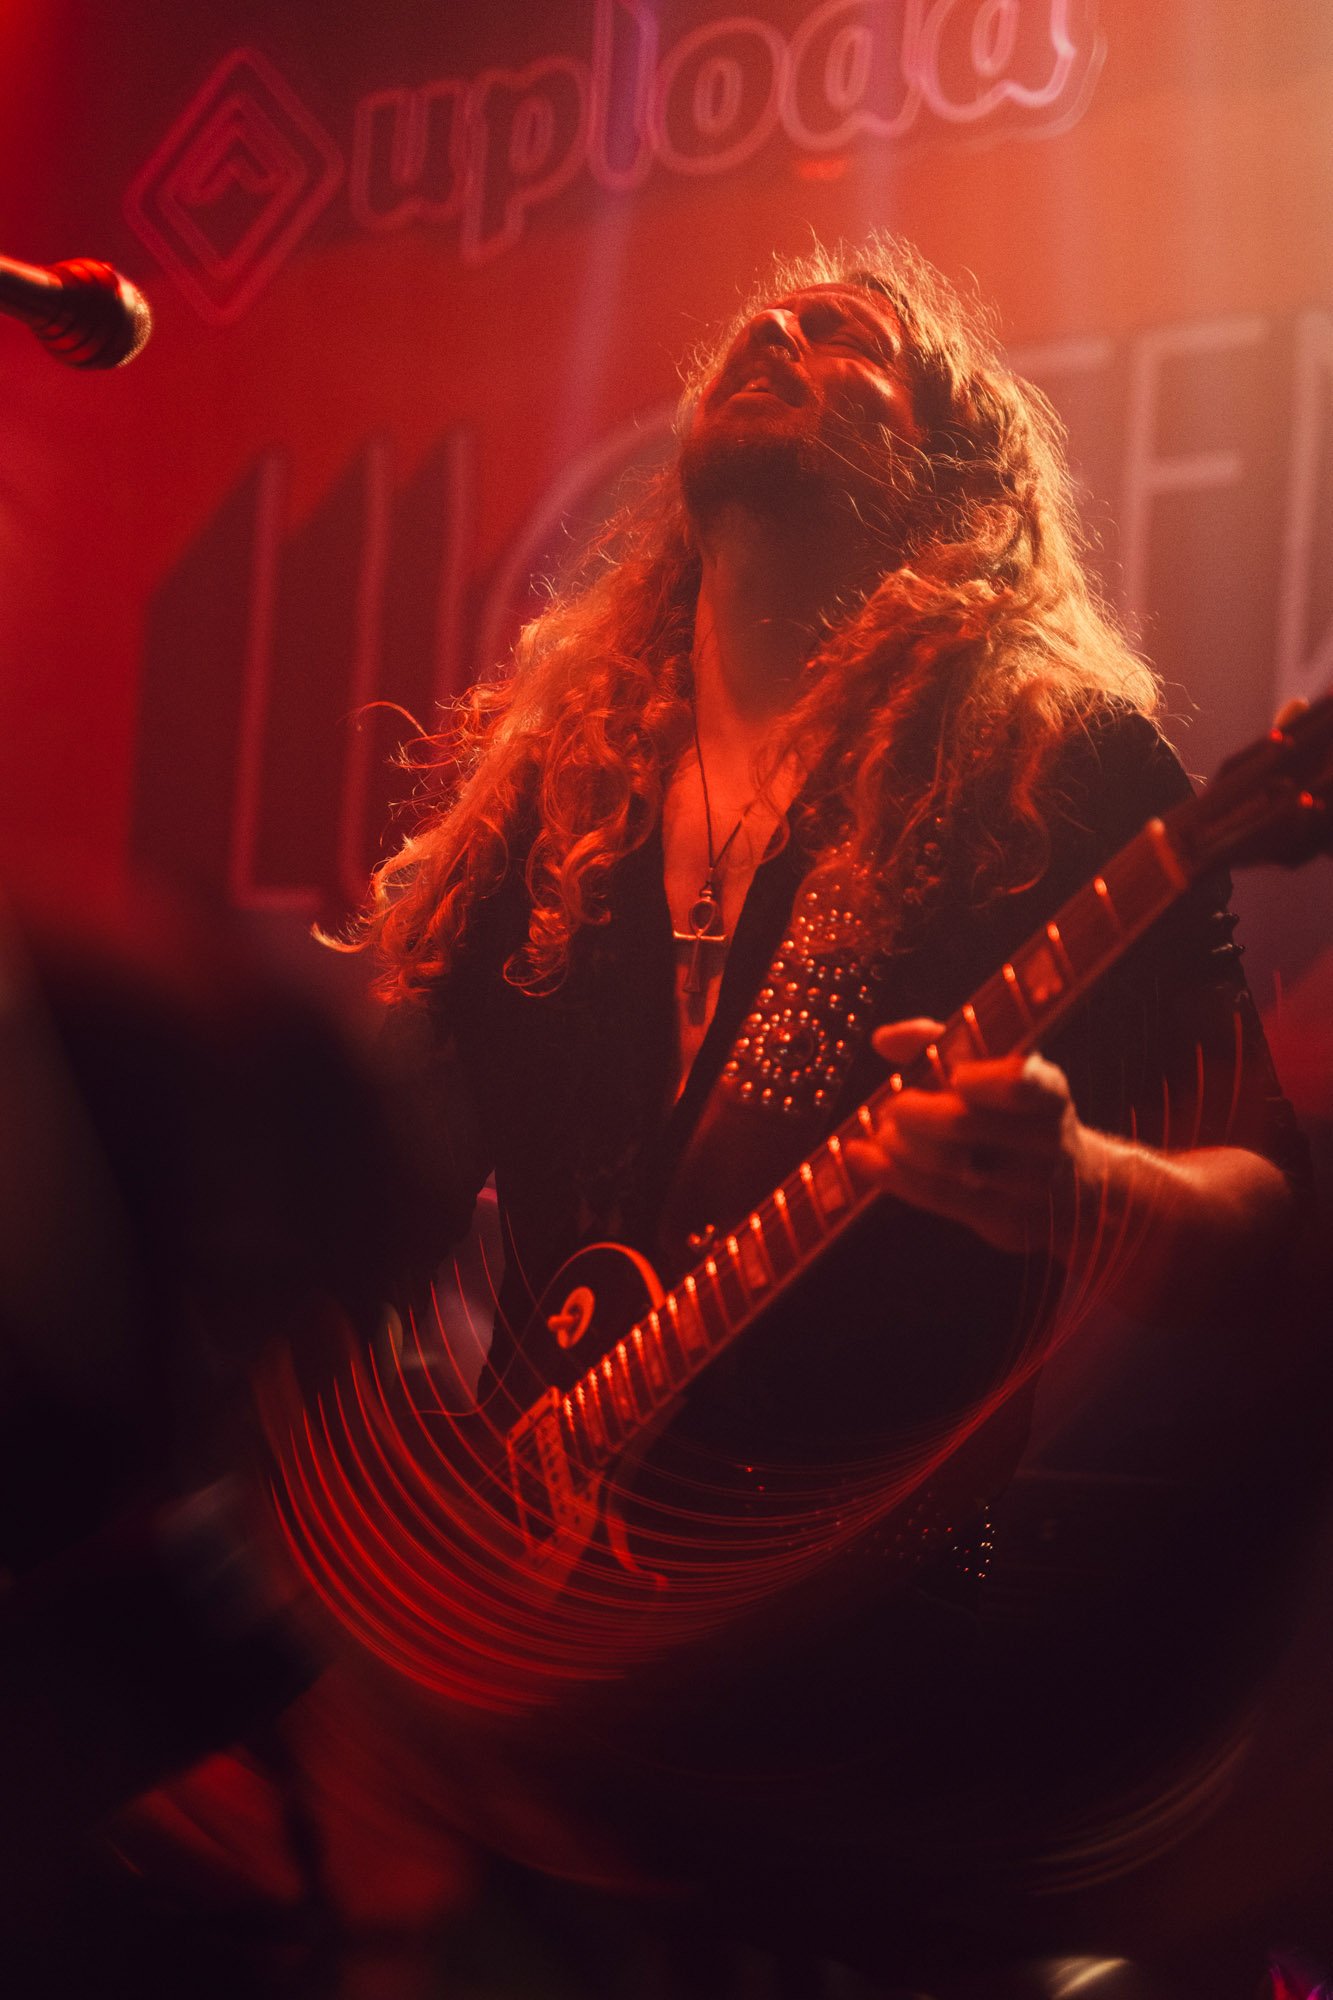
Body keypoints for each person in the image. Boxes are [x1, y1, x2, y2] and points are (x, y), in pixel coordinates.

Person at [320, 236, 1311, 1993]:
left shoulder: (1059, 762)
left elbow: (1276, 1214)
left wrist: (1080, 1185)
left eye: (851, 338)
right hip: (529, 1661)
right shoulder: (553, 797)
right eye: (760, 321)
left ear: (955, 474)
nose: (775, 325)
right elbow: (366, 1207)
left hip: (869, 1674)